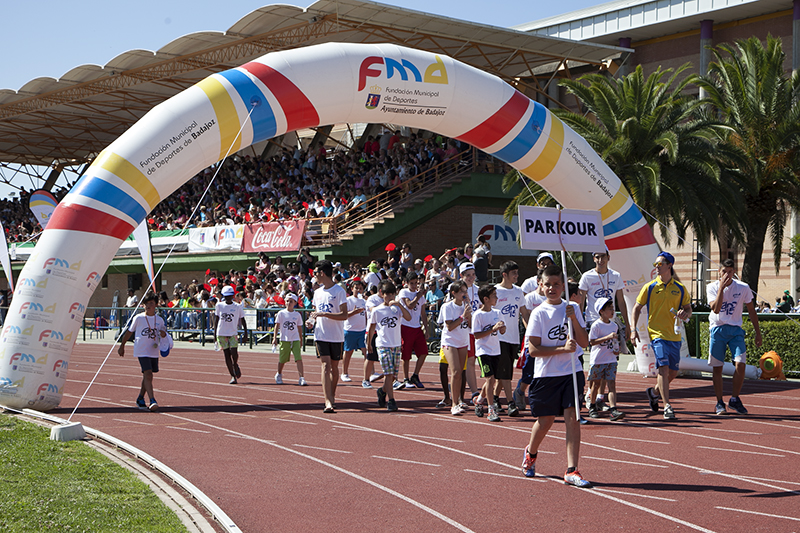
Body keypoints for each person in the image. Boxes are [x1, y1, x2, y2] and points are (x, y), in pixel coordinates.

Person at [521, 264, 591, 487]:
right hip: (546, 375)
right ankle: (531, 453)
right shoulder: (539, 313)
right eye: (547, 284)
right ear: (540, 286)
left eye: (556, 284)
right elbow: (533, 350)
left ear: (563, 286)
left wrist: (573, 319)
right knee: (546, 420)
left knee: (573, 418)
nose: (552, 288)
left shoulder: (572, 308)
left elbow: (583, 342)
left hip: (571, 371)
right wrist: (561, 349)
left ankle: (572, 469)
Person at [630, 251, 691, 420]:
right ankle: (668, 406)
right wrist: (633, 330)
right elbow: (636, 308)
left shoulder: (680, 288)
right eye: (655, 264)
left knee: (673, 373)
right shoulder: (649, 287)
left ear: (669, 265)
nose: (656, 267)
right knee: (663, 368)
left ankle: (654, 392)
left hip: (675, 335)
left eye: (660, 264)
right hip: (657, 334)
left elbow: (688, 309)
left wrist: (685, 314)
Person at [706, 259, 762, 415]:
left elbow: (751, 310)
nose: (727, 275)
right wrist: (721, 290)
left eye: (730, 272)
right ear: (719, 272)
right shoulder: (711, 287)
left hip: (736, 331)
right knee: (718, 368)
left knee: (741, 364)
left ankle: (735, 399)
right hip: (717, 329)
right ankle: (719, 402)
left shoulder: (743, 288)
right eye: (724, 271)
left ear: (734, 272)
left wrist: (758, 333)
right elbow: (716, 309)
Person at [310, 260, 349, 413]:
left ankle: (332, 395)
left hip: (336, 335)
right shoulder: (317, 292)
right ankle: (327, 401)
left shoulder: (339, 291)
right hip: (321, 334)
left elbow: (344, 315)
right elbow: (314, 313)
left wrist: (325, 314)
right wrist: (310, 320)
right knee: (325, 365)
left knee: (334, 367)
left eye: (315, 273)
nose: (314, 277)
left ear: (322, 273)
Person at [367, 280, 411, 412]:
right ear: (382, 294)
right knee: (388, 373)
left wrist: (400, 305)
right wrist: (368, 343)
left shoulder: (397, 309)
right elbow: (371, 327)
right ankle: (391, 400)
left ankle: (382, 391)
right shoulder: (377, 310)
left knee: (393, 376)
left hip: (396, 344)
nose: (390, 297)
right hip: (383, 345)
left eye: (393, 294)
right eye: (388, 294)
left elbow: (408, 317)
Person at [117, 294, 166, 412]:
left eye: (151, 304)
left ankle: (140, 398)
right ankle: (152, 400)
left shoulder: (159, 320)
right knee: (148, 374)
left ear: (156, 305)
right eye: (146, 304)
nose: (149, 306)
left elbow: (163, 332)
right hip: (141, 349)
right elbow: (129, 332)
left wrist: (163, 334)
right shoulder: (138, 318)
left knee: (148, 375)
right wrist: (122, 345)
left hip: (153, 350)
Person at [493, 261, 523, 417]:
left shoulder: (519, 292)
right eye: (514, 273)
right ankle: (511, 402)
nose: (516, 276)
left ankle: (493, 398)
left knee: (503, 372)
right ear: (504, 275)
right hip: (499, 337)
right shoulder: (496, 291)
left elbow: (524, 312)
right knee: (505, 372)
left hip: (514, 337)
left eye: (517, 273)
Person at [472, 284, 506, 422]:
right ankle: (491, 409)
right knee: (490, 380)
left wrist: (501, 327)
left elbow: (503, 331)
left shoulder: (497, 313)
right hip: (483, 351)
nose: (496, 298)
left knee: (492, 380)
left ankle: (479, 399)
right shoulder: (478, 315)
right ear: (485, 299)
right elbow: (477, 335)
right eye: (494, 296)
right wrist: (492, 329)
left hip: (495, 350)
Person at [587, 297, 624, 421]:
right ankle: (592, 406)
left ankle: (613, 409)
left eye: (613, 308)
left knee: (612, 384)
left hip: (610, 359)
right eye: (609, 309)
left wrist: (616, 349)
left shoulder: (614, 325)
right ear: (601, 311)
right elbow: (592, 341)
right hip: (598, 360)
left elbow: (614, 341)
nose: (612, 311)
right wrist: (607, 337)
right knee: (596, 384)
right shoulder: (596, 325)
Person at [440, 280, 472, 415]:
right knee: (456, 371)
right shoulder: (448, 307)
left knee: (461, 372)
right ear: (454, 293)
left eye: (466, 291)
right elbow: (450, 326)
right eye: (462, 292)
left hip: (463, 341)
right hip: (450, 341)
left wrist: (468, 312)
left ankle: (459, 400)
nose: (464, 294)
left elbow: (471, 326)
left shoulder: (467, 306)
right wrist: (462, 316)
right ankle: (453, 403)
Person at [398, 272, 429, 389]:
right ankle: (405, 378)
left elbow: (422, 313)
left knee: (423, 352)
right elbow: (410, 305)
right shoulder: (404, 292)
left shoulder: (420, 295)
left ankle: (415, 375)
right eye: (411, 283)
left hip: (416, 327)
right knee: (406, 354)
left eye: (416, 283)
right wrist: (418, 296)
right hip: (406, 326)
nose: (414, 286)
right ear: (407, 283)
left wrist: (426, 328)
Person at [212, 285, 249, 384]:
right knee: (226, 354)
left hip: (233, 332)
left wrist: (246, 333)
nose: (228, 298)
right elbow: (216, 320)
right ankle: (233, 376)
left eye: (230, 296)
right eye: (226, 296)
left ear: (233, 296)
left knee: (234, 352)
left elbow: (243, 319)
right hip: (222, 333)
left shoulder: (237, 306)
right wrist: (214, 334)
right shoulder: (219, 305)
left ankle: (235, 364)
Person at [272, 293, 307, 386]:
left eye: (291, 301)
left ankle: (301, 378)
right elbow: (277, 326)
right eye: (287, 301)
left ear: (295, 303)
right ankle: (279, 374)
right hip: (284, 339)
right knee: (282, 359)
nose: (289, 303)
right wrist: (274, 338)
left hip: (295, 339)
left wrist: (301, 339)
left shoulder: (297, 315)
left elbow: (299, 328)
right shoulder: (281, 313)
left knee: (298, 358)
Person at [342, 279, 368, 385]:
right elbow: (345, 315)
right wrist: (354, 312)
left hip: (362, 330)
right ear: (352, 289)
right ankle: (344, 373)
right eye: (356, 288)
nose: (358, 290)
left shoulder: (364, 301)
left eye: (360, 289)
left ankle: (370, 372)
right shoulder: (348, 300)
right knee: (348, 352)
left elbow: (366, 315)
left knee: (366, 352)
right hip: (350, 330)